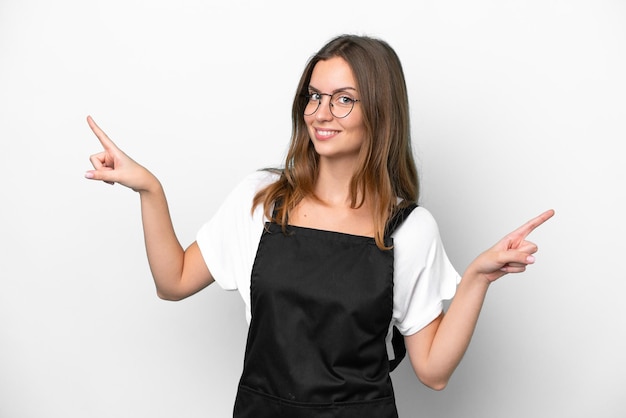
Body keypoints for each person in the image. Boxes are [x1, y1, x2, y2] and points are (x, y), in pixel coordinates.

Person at [85, 34, 554, 418]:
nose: (320, 112)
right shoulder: (261, 199)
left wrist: (476, 279)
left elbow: (432, 372)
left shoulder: (408, 229)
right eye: (315, 95)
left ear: (380, 112)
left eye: (344, 99)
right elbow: (173, 281)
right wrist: (150, 189)